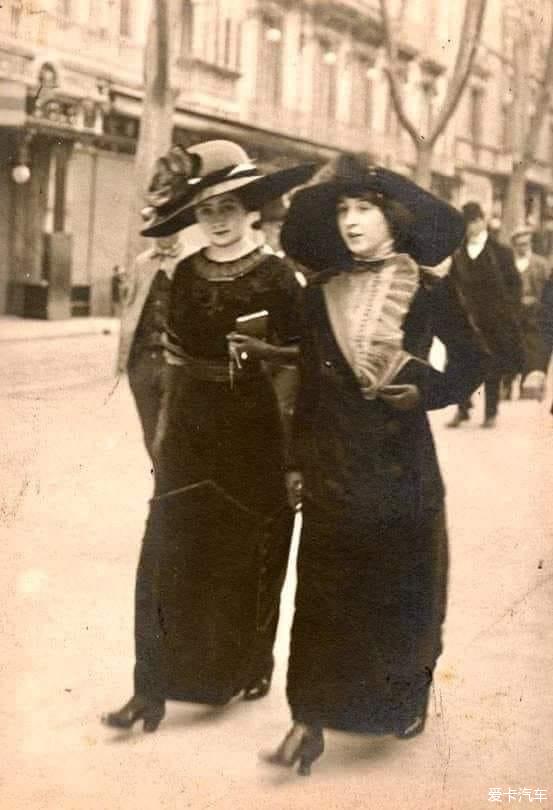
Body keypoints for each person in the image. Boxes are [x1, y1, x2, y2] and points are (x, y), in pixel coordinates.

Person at [265, 153, 488, 775]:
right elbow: (307, 385)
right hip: (333, 462)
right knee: (321, 593)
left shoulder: (427, 287)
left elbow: (474, 361)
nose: (351, 221)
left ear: (393, 216)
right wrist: (295, 462)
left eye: (364, 208)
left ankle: (401, 703)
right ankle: (306, 722)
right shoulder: (321, 292)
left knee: (400, 592)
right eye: (342, 209)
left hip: (401, 467)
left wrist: (426, 393)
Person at [103, 140, 314, 732]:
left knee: (250, 554)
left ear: (253, 210)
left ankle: (247, 664)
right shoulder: (184, 275)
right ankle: (149, 688)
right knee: (164, 550)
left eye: (228, 207)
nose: (217, 220)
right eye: (205, 211)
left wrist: (297, 454)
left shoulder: (281, 279)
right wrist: (165, 433)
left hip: (258, 431)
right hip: (193, 428)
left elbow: (302, 364)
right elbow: (171, 360)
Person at [446, 202, 524, 428]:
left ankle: (491, 412)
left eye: (472, 223)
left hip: (493, 322)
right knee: (459, 363)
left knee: (493, 366)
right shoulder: (458, 252)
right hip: (464, 319)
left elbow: (514, 286)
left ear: (481, 221)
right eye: (465, 224)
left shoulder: (501, 252)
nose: (468, 228)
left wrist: (508, 314)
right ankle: (462, 409)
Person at [116, 231, 189, 460]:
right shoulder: (142, 262)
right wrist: (125, 360)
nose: (165, 233)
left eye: (170, 226)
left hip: (177, 363)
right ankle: (162, 489)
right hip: (143, 362)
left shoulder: (191, 260)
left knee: (172, 435)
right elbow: (130, 308)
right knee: (150, 435)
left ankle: (172, 491)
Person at [505, 225, 551, 401]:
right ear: (514, 245)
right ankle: (507, 383)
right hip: (513, 314)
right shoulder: (509, 263)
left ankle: (529, 383)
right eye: (519, 244)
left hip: (534, 314)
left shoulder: (541, 264)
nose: (522, 247)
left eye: (525, 243)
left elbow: (547, 291)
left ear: (530, 243)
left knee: (531, 349)